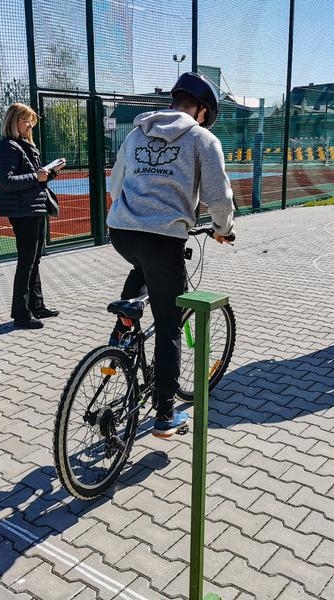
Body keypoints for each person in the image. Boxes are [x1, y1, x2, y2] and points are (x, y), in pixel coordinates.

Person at [107, 72, 235, 438]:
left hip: (122, 232)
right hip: (162, 237)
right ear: (203, 111)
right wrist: (224, 230)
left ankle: (123, 329)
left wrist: (131, 212)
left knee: (143, 267)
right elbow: (219, 197)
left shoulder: (135, 133)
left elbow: (116, 182)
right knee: (169, 325)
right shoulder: (202, 139)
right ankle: (164, 414)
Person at [0, 103, 64, 329]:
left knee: (35, 260)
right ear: (14, 121)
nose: (30, 125)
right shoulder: (7, 147)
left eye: (31, 121)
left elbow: (36, 179)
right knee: (26, 262)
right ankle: (21, 314)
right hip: (23, 212)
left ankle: (36, 305)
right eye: (26, 120)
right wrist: (37, 176)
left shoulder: (25, 145)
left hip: (35, 207)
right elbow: (7, 181)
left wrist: (49, 173)